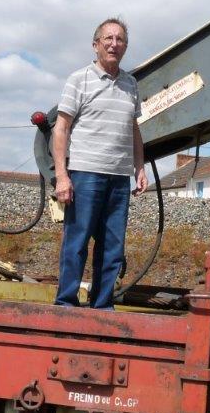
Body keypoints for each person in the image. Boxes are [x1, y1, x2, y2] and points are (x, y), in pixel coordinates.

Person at [52, 18, 148, 309]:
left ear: (126, 47)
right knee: (77, 242)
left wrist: (139, 168)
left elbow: (134, 130)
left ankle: (102, 307)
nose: (113, 44)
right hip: (85, 174)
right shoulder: (78, 79)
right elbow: (61, 128)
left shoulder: (131, 84)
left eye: (120, 40)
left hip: (119, 178)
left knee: (112, 248)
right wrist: (62, 176)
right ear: (95, 45)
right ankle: (66, 303)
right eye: (108, 38)